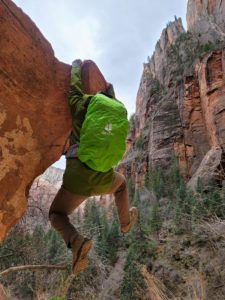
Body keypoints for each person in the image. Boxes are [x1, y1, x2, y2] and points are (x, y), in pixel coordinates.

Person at [49, 59, 138, 274]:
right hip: (103, 177)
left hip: (76, 180)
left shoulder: (81, 105)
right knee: (121, 185)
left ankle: (76, 242)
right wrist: (110, 91)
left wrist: (77, 66)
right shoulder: (115, 113)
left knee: (56, 214)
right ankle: (125, 223)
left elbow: (74, 89)